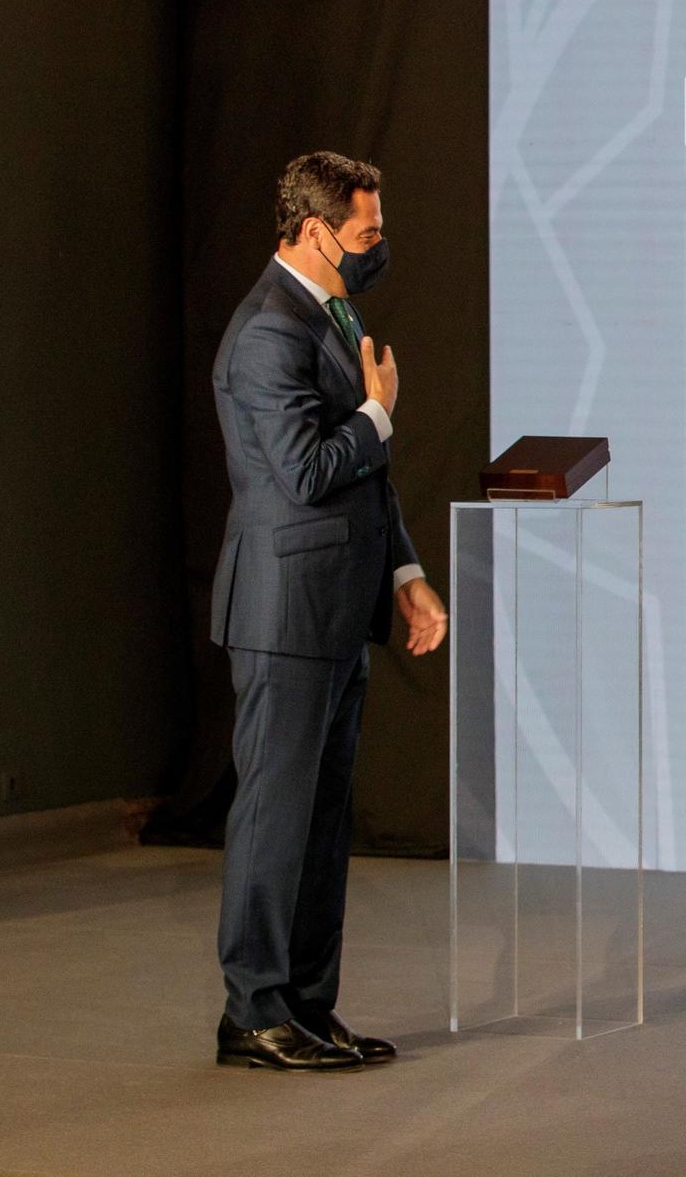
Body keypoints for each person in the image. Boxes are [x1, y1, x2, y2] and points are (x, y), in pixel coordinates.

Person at [208, 151, 447, 1070]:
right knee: (276, 813)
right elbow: (310, 469)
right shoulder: (269, 331)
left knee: (320, 816)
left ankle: (308, 1005)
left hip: (340, 606)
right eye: (366, 233)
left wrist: (404, 573)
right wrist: (378, 413)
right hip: (283, 611)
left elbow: (365, 480)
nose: (379, 246)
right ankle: (253, 1011)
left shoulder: (334, 311)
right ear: (315, 230)